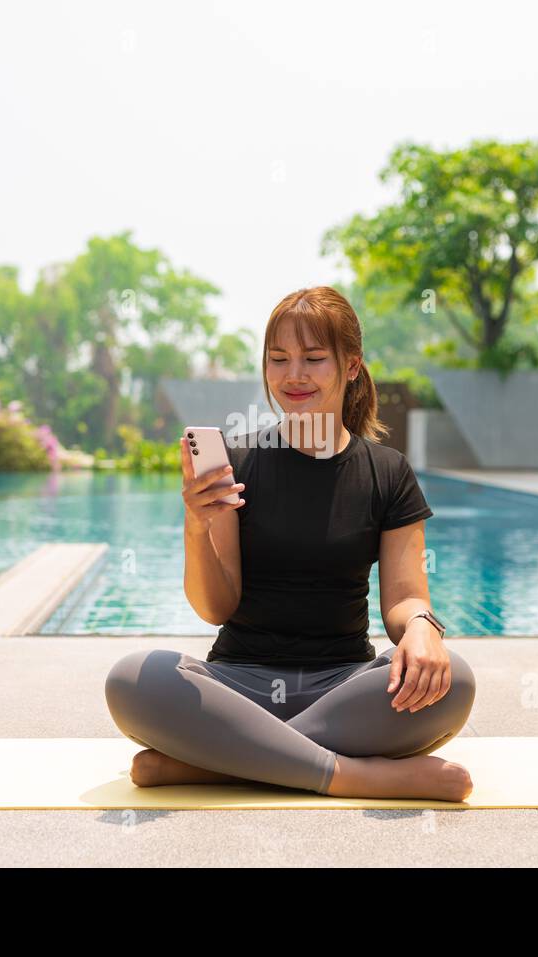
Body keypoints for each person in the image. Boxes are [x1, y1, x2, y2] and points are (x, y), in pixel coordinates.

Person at [104, 286, 476, 801]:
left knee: (453, 681)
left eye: (313, 358)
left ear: (350, 366)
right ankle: (351, 775)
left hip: (343, 686)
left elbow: (405, 597)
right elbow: (216, 607)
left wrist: (421, 628)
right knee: (132, 679)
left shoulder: (388, 472)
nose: (292, 375)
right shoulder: (237, 463)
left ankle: (222, 763)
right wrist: (196, 522)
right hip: (238, 686)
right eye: (278, 359)